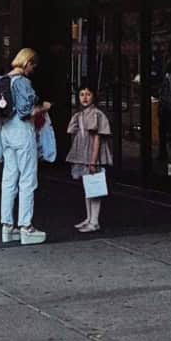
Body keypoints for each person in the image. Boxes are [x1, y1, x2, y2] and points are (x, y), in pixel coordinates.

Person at [0, 48, 51, 245]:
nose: (33, 69)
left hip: (6, 131)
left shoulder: (4, 79)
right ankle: (26, 227)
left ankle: (7, 226)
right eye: (33, 65)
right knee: (28, 179)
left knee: (9, 178)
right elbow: (25, 112)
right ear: (27, 61)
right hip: (22, 132)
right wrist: (44, 107)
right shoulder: (22, 82)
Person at [66, 84, 112, 233]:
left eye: (88, 94)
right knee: (88, 186)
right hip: (83, 154)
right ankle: (89, 218)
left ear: (93, 96)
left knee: (94, 187)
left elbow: (97, 138)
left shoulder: (95, 114)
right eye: (81, 94)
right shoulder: (79, 115)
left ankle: (94, 221)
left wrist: (93, 160)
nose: (85, 97)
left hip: (92, 155)